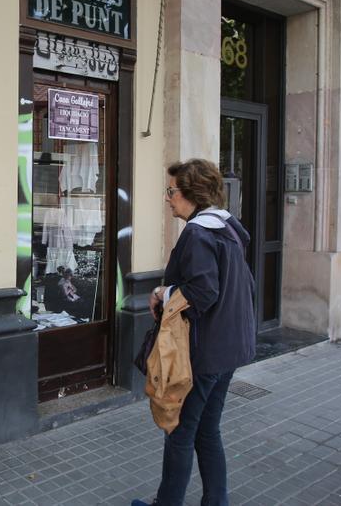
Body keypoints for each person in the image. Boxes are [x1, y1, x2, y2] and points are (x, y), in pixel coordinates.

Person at [134, 159, 256, 506]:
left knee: (180, 431)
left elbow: (203, 291)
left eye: (171, 191)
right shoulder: (228, 229)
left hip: (203, 351)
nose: (167, 198)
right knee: (206, 429)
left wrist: (163, 294)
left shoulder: (199, 233)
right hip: (228, 348)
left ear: (191, 193)